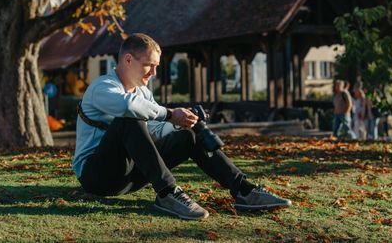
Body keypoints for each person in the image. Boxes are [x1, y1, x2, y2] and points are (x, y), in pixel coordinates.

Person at [72, 33, 291, 220]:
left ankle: (244, 190)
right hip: (97, 177)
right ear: (128, 59)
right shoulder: (102, 87)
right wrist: (170, 114)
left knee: (187, 134)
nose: (153, 73)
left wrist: (185, 121)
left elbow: (156, 130)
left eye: (157, 67)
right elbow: (129, 108)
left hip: (131, 176)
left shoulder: (143, 92)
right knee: (130, 118)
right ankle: (168, 193)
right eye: (149, 65)